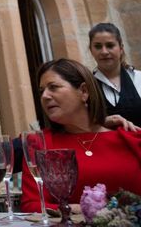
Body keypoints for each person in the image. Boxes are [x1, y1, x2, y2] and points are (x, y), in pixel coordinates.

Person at [20, 58, 141, 212]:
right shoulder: (38, 144)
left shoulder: (131, 137)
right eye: (41, 90)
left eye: (53, 87)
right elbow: (33, 205)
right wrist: (82, 210)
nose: (45, 96)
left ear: (84, 91)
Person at [89, 22, 141, 127]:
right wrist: (104, 121)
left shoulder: (138, 78)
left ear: (121, 48)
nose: (104, 52)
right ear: (91, 50)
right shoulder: (87, 86)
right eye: (98, 46)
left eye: (110, 45)